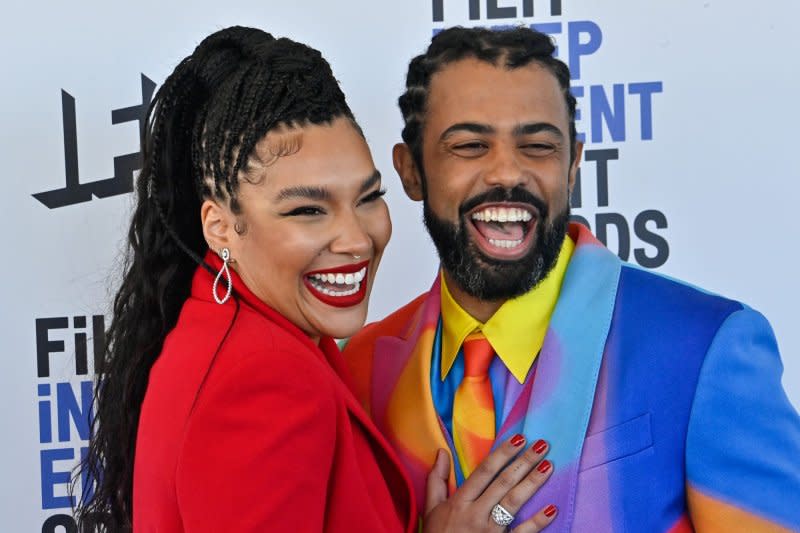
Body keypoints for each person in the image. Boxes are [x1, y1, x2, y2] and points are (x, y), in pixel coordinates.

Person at [75, 26, 562, 533]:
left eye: (368, 198)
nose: (356, 239)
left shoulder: (238, 327)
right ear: (220, 226)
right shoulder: (264, 380)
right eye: (308, 210)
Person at [344, 26, 800, 532]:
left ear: (573, 165)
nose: (507, 174)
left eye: (538, 145)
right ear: (410, 171)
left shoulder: (707, 344)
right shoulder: (359, 370)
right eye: (470, 145)